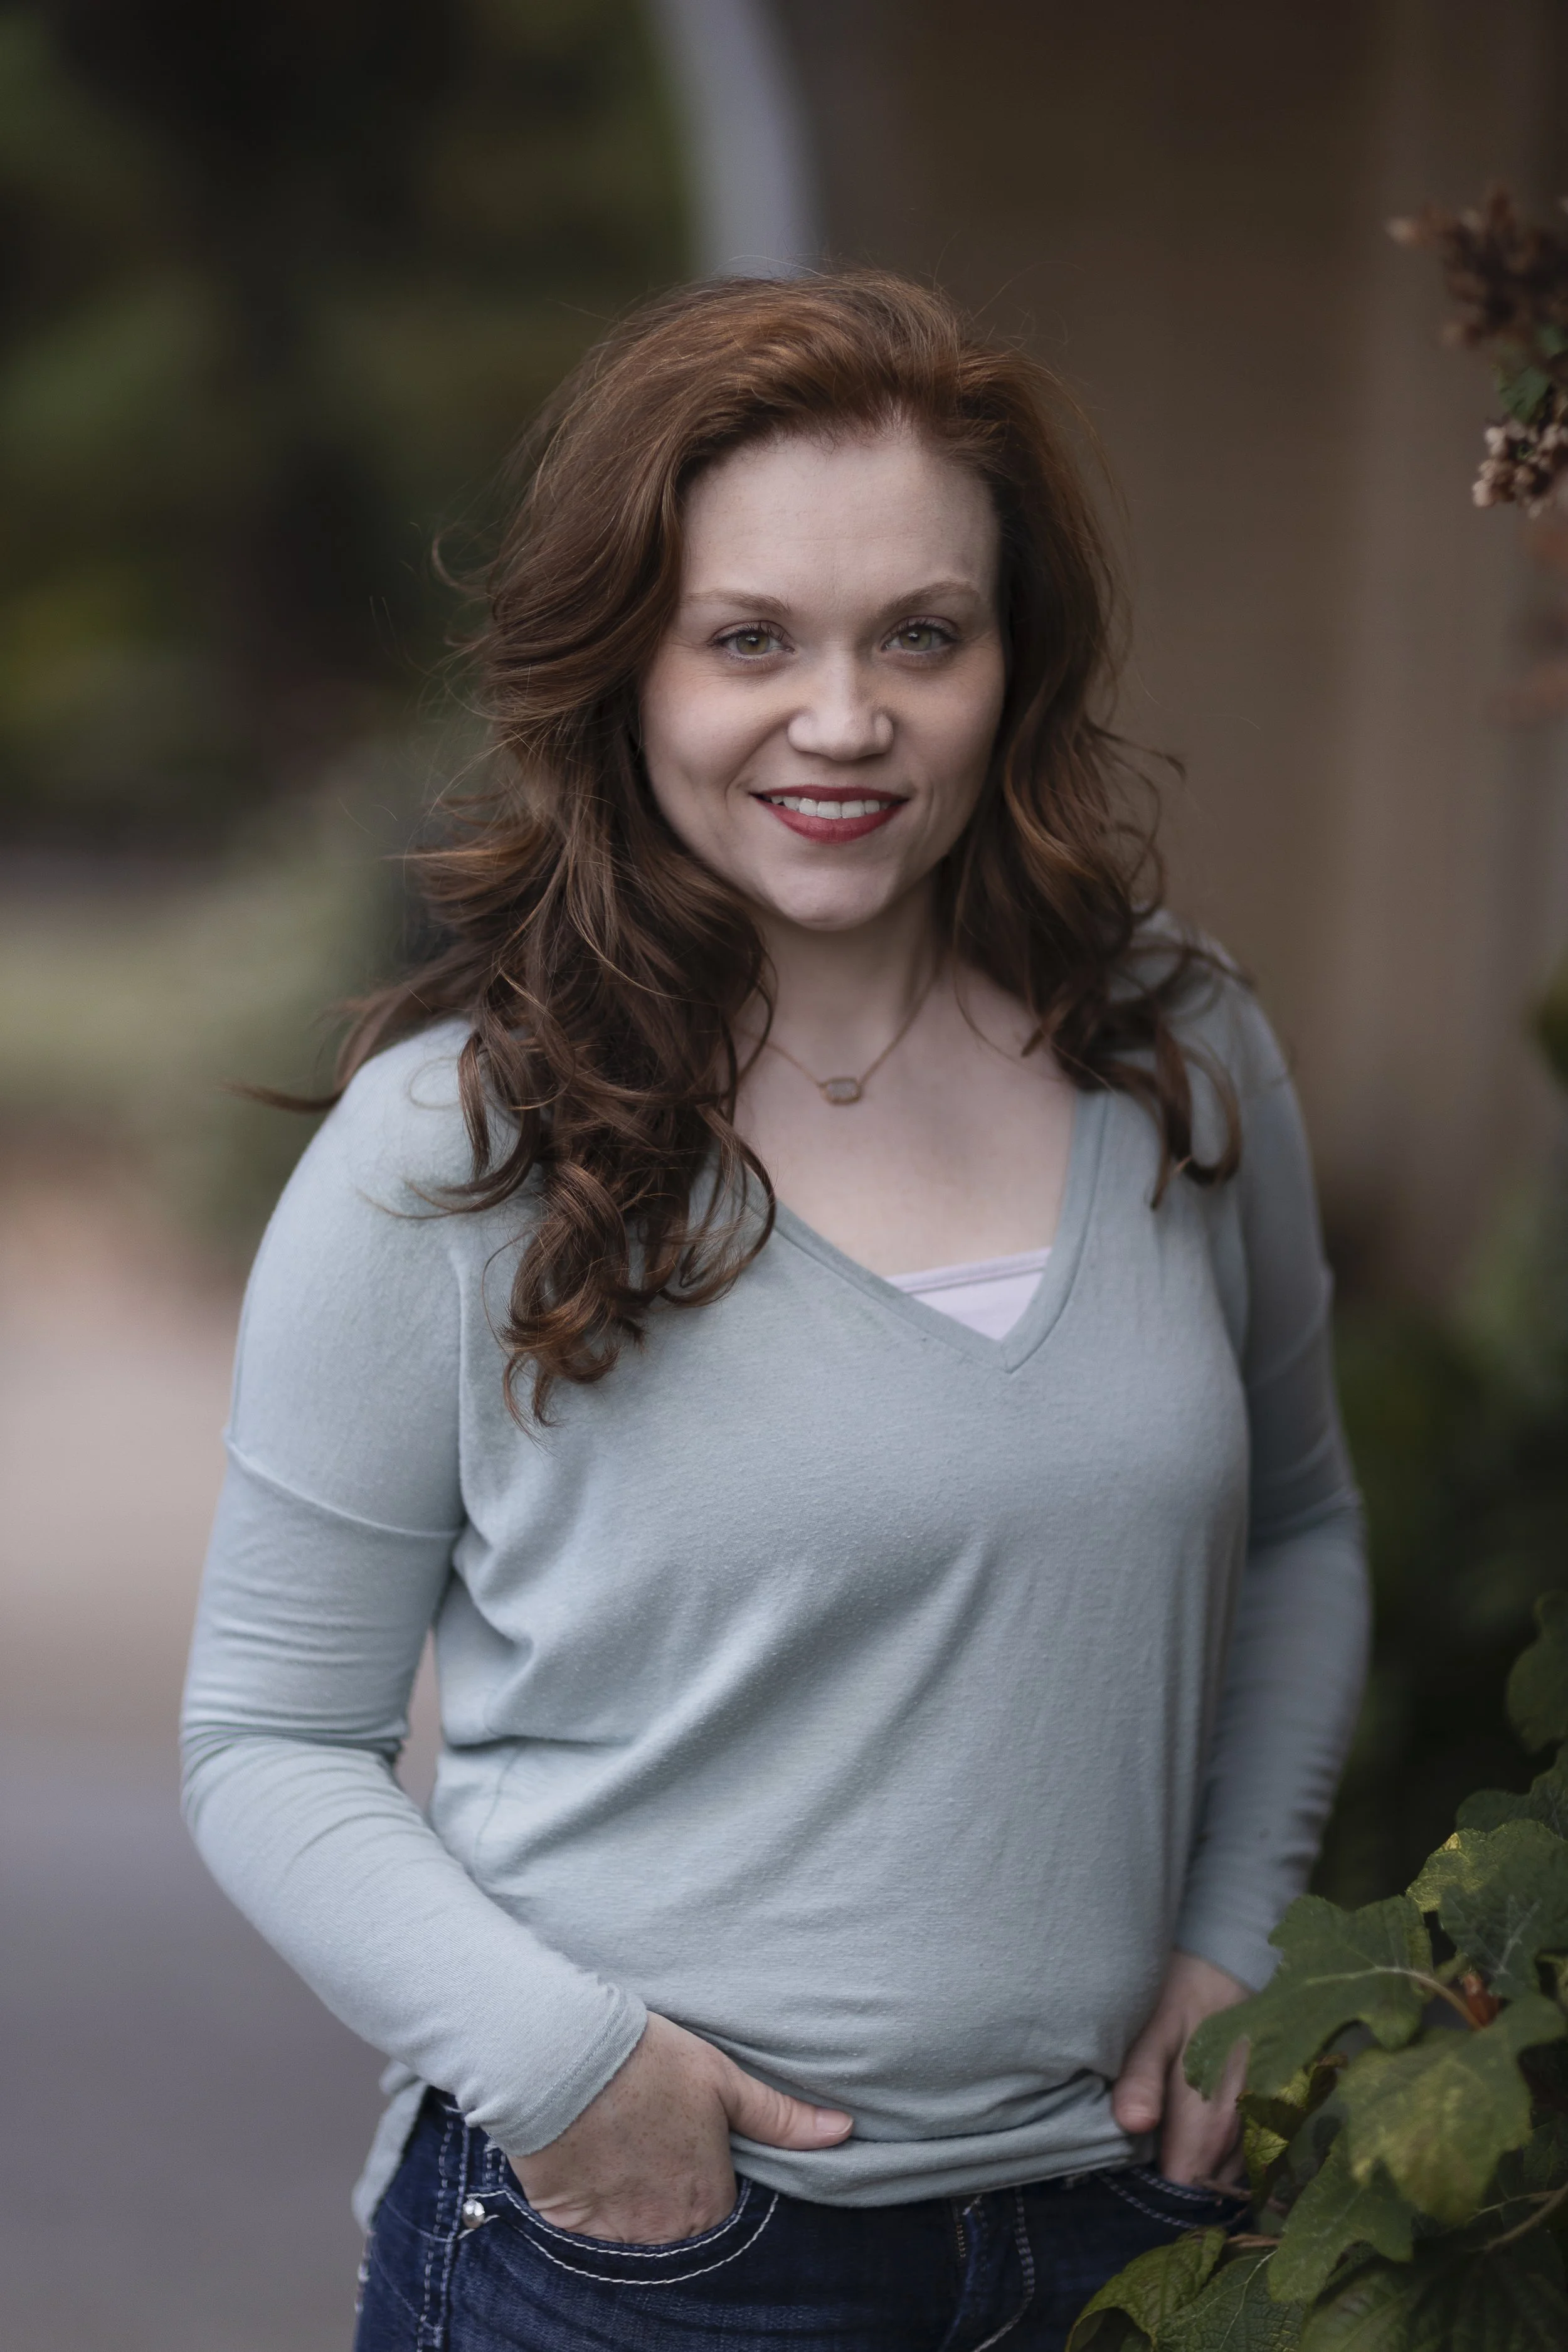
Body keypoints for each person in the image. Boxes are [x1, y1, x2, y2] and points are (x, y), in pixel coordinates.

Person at [181, 272, 1369, 2352]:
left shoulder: (1176, 1054)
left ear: (1016, 659)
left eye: (921, 632)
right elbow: (269, 1741)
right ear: (623, 664)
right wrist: (567, 2075)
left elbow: (1294, 1534)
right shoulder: (449, 1150)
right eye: (752, 640)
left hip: (1129, 2234)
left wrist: (1234, 1937)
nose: (844, 721)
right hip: (640, 2253)